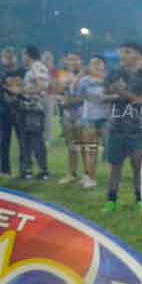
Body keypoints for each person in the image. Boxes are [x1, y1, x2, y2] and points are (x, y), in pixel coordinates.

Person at [103, 41, 142, 212]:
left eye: (127, 51)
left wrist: (122, 93)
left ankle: (140, 199)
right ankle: (111, 200)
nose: (123, 55)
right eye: (122, 51)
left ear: (138, 55)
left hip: (137, 127)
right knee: (115, 166)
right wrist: (130, 97)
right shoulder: (114, 74)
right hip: (116, 126)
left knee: (138, 165)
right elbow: (103, 96)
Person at [78, 54, 110, 188]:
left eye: (98, 63)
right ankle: (91, 178)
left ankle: (113, 179)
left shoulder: (110, 78)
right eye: (93, 63)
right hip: (89, 118)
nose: (96, 66)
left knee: (110, 151)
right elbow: (80, 93)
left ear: (104, 65)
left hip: (106, 117)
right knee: (91, 149)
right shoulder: (85, 80)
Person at [0, 47, 24, 176]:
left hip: (19, 109)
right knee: (4, 141)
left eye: (10, 57)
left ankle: (24, 168)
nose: (8, 59)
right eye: (5, 57)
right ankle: (5, 170)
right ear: (2, 59)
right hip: (2, 110)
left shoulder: (22, 72)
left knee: (23, 141)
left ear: (15, 58)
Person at [19, 44, 50, 180]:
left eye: (23, 55)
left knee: (36, 141)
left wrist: (22, 91)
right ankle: (28, 171)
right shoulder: (31, 68)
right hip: (26, 108)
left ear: (28, 54)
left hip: (34, 109)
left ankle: (43, 171)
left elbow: (42, 86)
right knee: (26, 141)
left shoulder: (38, 66)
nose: (22, 58)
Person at [58, 51, 85, 184]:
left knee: (84, 145)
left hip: (82, 112)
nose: (72, 62)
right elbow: (59, 91)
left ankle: (88, 174)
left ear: (80, 61)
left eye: (75, 59)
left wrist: (71, 100)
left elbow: (86, 96)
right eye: (69, 59)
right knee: (71, 145)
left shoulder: (85, 76)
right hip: (68, 113)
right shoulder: (63, 75)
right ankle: (72, 173)